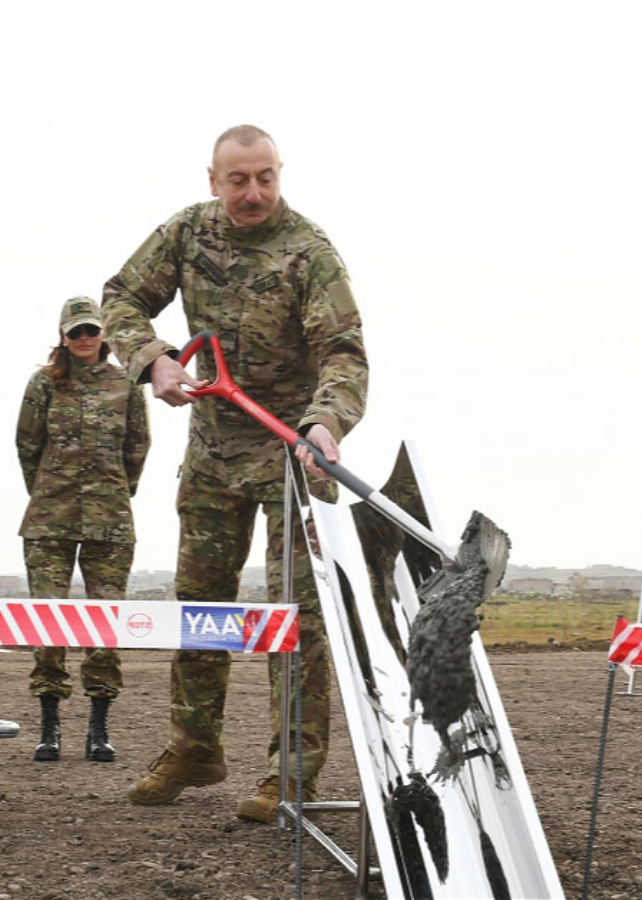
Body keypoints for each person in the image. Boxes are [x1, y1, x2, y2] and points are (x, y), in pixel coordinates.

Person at [100, 124, 368, 821]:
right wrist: (152, 357)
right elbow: (121, 297)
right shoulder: (187, 234)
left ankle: (291, 772)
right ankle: (194, 748)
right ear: (214, 180)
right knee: (201, 609)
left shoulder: (309, 251)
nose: (254, 193)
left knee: (294, 620)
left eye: (265, 178)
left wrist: (325, 422)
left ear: (280, 174)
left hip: (292, 456)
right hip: (214, 455)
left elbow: (343, 351)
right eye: (239, 180)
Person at [16, 297, 150, 763]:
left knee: (104, 626)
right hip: (49, 521)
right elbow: (27, 447)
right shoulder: (44, 384)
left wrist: (112, 495)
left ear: (104, 334)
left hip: (109, 522)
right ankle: (49, 726)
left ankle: (98, 728)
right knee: (48, 623)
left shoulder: (127, 384)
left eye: (91, 330)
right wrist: (49, 493)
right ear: (63, 337)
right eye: (75, 332)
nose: (84, 339)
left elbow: (137, 449)